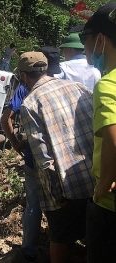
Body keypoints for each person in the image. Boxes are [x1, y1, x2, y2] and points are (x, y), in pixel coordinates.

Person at [17, 51, 95, 263]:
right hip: (96, 180)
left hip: (66, 187)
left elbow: (43, 158)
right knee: (95, 238)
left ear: (24, 76)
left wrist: (55, 196)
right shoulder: (78, 87)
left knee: (59, 239)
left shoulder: (31, 104)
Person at [0, 47, 61, 262]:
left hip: (35, 159)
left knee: (34, 204)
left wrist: (16, 143)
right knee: (61, 207)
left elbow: (6, 117)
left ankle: (29, 250)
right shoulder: (62, 86)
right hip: (62, 158)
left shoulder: (25, 91)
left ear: (24, 75)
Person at [75, 3, 116, 262]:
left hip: (109, 205)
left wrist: (104, 182)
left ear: (100, 39)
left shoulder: (108, 83)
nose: (84, 47)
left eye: (85, 38)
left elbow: (113, 136)